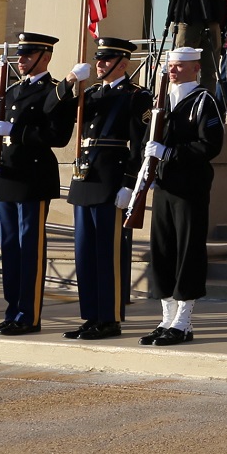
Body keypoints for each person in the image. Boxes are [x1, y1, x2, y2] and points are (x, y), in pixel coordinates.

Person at [0, 32, 83, 335]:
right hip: (8, 175)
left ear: (45, 57)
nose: (20, 60)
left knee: (30, 248)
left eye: (27, 55)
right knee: (9, 248)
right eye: (20, 55)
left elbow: (58, 136)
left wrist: (15, 131)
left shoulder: (56, 91)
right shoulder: (12, 90)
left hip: (33, 176)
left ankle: (29, 315)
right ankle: (12, 310)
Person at [63, 36, 150, 340]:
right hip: (85, 179)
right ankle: (91, 315)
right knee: (85, 253)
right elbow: (57, 114)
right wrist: (71, 83)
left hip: (112, 181)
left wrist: (129, 183)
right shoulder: (92, 93)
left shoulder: (136, 96)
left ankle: (110, 318)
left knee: (108, 254)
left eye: (105, 60)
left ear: (122, 64)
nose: (99, 64)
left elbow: (140, 146)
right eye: (99, 59)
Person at [140, 47, 223, 346]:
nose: (172, 70)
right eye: (170, 65)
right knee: (162, 250)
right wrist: (147, 171)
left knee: (188, 251)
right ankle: (166, 317)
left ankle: (184, 320)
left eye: (178, 66)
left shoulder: (204, 100)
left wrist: (171, 153)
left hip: (190, 187)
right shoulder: (161, 100)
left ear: (195, 68)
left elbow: (210, 145)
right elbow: (146, 138)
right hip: (163, 186)